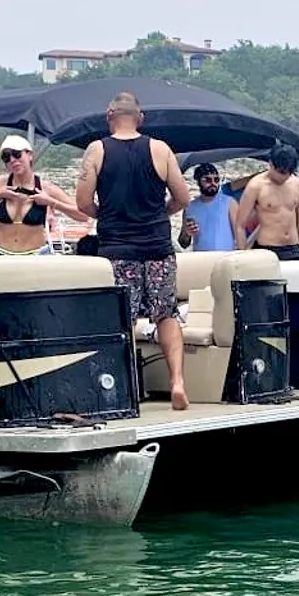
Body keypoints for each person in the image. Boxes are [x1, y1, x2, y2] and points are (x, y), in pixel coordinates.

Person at [75, 92, 193, 409]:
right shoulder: (160, 148)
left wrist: (110, 215)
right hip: (157, 246)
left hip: (117, 248)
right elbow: (183, 197)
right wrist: (159, 213)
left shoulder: (97, 150)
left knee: (121, 318)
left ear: (109, 115)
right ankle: (177, 382)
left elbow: (83, 202)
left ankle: (121, 388)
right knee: (166, 314)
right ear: (140, 118)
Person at [0, 136, 77, 255]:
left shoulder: (45, 187)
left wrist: (51, 202)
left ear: (30, 155)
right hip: (0, 254)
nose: (12, 160)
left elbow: (82, 215)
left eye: (17, 154)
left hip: (36, 255)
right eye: (6, 157)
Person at [234, 145, 299, 260]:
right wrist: (243, 255)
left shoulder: (297, 185)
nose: (282, 177)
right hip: (267, 248)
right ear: (271, 164)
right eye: (280, 172)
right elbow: (240, 225)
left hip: (292, 247)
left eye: (286, 173)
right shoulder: (256, 186)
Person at [180, 162, 239, 253]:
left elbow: (240, 234)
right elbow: (183, 243)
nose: (213, 183)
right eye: (207, 180)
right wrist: (187, 234)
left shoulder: (230, 202)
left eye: (216, 179)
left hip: (225, 260)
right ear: (198, 181)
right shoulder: (190, 207)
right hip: (201, 261)